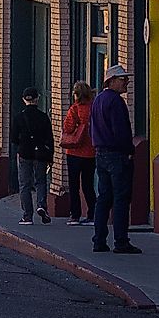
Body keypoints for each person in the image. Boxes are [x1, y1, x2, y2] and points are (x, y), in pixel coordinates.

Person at [89, 65, 139, 254]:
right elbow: (121, 131)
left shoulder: (98, 100)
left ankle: (99, 240)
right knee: (120, 199)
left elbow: (91, 128)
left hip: (100, 154)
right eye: (122, 79)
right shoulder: (116, 102)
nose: (126, 82)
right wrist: (129, 150)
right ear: (111, 81)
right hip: (117, 156)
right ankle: (121, 241)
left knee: (103, 198)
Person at [9, 87, 56, 223]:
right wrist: (50, 156)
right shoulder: (43, 117)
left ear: (24, 100)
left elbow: (13, 138)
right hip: (40, 153)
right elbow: (49, 138)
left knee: (24, 184)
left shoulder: (19, 117)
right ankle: (42, 206)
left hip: (24, 153)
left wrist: (20, 146)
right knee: (41, 181)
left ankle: (27, 215)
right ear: (37, 99)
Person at [60, 80, 97, 224]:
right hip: (91, 152)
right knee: (88, 184)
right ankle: (92, 214)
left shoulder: (74, 109)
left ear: (76, 95)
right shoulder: (94, 108)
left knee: (74, 185)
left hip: (74, 152)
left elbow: (68, 128)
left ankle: (75, 215)